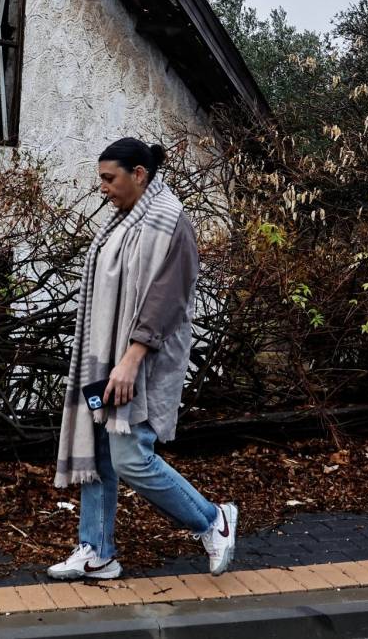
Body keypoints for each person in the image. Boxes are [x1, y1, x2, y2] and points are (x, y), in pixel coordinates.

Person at [48, 137, 236, 581]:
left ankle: (213, 519)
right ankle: (97, 550)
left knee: (132, 457)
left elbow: (167, 300)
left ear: (139, 175)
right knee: (100, 453)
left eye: (109, 179)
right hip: (106, 358)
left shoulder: (170, 222)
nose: (103, 188)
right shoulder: (124, 221)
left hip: (142, 361)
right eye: (101, 179)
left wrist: (131, 359)